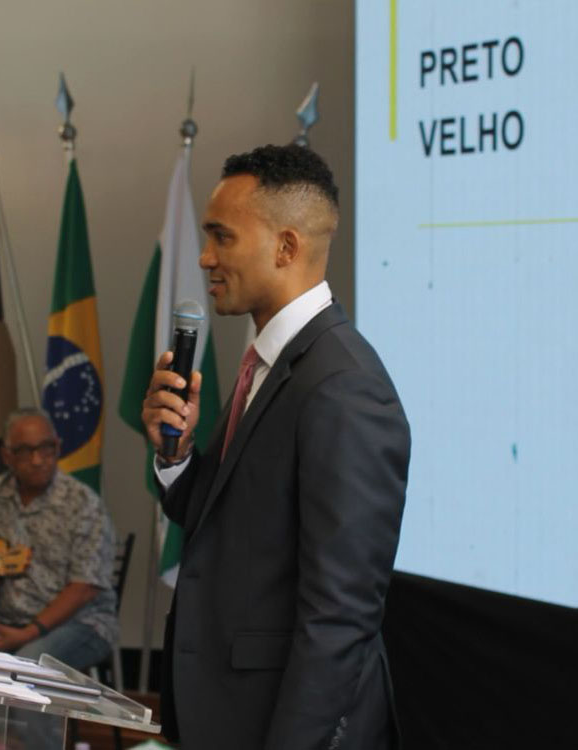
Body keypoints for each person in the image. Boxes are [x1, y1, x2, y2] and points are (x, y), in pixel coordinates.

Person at [141, 144, 411, 749]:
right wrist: (176, 456)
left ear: (286, 247)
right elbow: (221, 526)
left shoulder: (343, 388)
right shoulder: (268, 363)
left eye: (222, 238)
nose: (206, 258)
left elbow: (340, 618)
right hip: (225, 715)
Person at [0, 407, 117, 671]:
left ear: (58, 447)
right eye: (26, 451)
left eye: (46, 448)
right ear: (7, 456)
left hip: (78, 624)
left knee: (24, 666)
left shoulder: (83, 504)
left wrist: (29, 632)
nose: (38, 460)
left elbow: (84, 587)